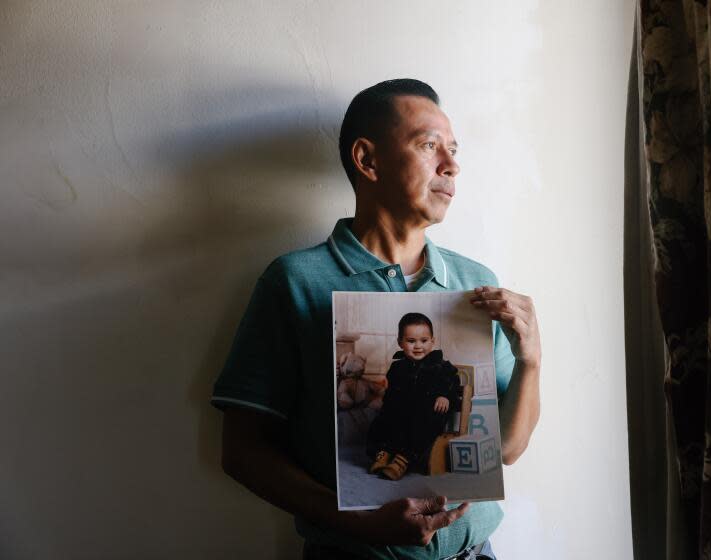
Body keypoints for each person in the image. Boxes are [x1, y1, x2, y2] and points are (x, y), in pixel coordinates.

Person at [212, 79, 541, 560]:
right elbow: (241, 452)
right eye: (429, 146)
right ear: (367, 160)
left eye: (453, 150)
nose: (452, 166)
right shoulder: (296, 281)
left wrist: (531, 359)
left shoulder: (476, 284)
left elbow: (507, 449)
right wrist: (354, 521)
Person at [367, 312, 461, 480]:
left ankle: (403, 460)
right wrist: (385, 397)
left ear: (433, 341)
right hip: (401, 410)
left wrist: (444, 395)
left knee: (421, 425)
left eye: (423, 341)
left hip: (428, 413)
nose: (418, 346)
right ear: (400, 343)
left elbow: (452, 381)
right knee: (382, 422)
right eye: (411, 341)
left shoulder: (440, 366)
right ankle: (384, 453)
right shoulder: (398, 367)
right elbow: (392, 390)